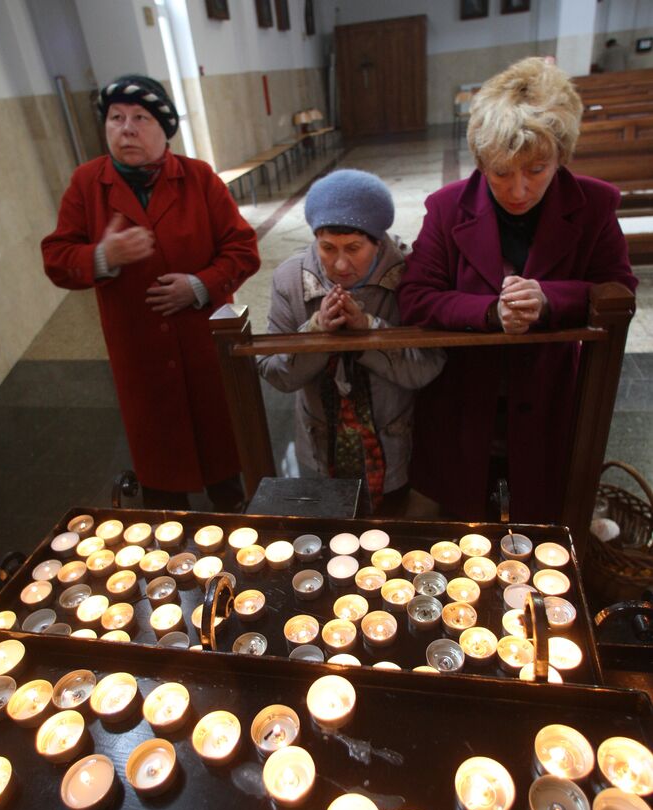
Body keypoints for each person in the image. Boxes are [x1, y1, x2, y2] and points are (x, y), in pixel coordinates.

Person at [397, 57, 637, 523]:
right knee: (463, 508)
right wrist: (490, 311)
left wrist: (550, 299)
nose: (519, 189)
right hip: (464, 395)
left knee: (539, 503)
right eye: (502, 171)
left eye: (537, 169)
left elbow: (619, 290)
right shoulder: (447, 209)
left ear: (560, 157)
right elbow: (416, 297)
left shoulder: (593, 204)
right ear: (482, 160)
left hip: (548, 390)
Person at [42, 74, 260, 511]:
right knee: (160, 465)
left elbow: (243, 249)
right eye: (116, 118)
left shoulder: (198, 178)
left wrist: (199, 286)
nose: (125, 128)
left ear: (165, 130)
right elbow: (57, 258)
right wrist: (103, 256)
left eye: (140, 117)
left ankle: (241, 532)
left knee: (223, 452)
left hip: (204, 345)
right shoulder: (88, 184)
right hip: (138, 352)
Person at [259, 169, 445, 514]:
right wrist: (315, 332)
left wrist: (369, 332)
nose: (340, 264)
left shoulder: (408, 274)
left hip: (394, 447)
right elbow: (274, 372)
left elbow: (428, 366)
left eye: (354, 248)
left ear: (378, 241)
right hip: (319, 447)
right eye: (327, 248)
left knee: (390, 529)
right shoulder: (291, 279)